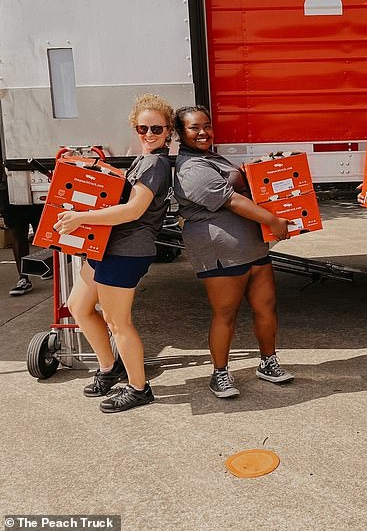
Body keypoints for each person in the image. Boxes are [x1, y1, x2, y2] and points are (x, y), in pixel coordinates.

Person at [53, 94, 174, 412]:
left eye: (156, 129)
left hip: (127, 250)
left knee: (118, 322)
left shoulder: (155, 163)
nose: (148, 134)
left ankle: (139, 388)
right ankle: (110, 368)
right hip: (107, 246)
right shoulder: (143, 159)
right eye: (142, 128)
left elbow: (134, 210)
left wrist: (80, 218)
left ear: (168, 131)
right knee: (78, 306)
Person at [173, 106, 294, 398]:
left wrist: (260, 166)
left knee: (266, 308)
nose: (203, 132)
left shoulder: (210, 157)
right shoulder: (190, 168)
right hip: (219, 252)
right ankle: (220, 374)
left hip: (252, 246)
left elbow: (237, 181)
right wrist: (274, 221)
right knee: (225, 314)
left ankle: (268, 362)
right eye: (194, 128)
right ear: (180, 133)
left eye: (206, 125)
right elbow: (231, 200)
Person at [0, 143, 46, 296]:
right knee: (18, 233)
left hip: (33, 178)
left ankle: (48, 265)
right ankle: (23, 277)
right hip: (8, 186)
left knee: (44, 230)